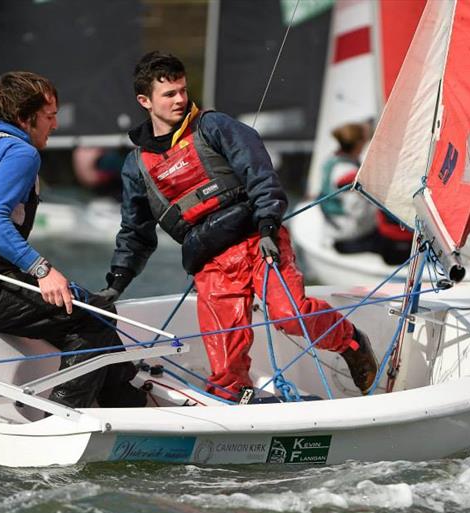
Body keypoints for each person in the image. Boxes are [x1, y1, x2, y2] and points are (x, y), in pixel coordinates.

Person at [99, 51, 378, 401]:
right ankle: (235, 413)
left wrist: (267, 226)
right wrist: (116, 283)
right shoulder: (136, 166)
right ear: (145, 101)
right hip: (211, 261)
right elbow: (135, 231)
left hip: (258, 240)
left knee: (289, 315)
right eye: (169, 94)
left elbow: (261, 175)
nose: (180, 100)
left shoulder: (215, 127)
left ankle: (351, 341)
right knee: (225, 367)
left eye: (183, 90)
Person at [0, 71, 145, 409]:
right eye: (50, 116)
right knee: (96, 313)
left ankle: (127, 399)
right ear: (24, 118)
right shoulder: (20, 152)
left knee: (81, 317)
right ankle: (63, 414)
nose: (55, 125)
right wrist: (41, 270)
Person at [319, 121, 413, 264]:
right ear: (358, 144)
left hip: (335, 226)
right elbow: (357, 211)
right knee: (398, 244)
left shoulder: (331, 161)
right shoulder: (346, 172)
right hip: (348, 232)